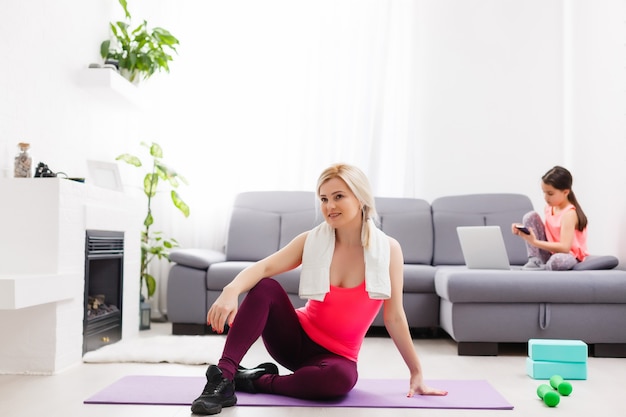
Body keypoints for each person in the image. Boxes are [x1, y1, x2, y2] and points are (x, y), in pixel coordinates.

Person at [190, 163, 448, 415]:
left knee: (341, 380)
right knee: (266, 287)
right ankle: (223, 379)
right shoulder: (311, 240)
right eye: (323, 199)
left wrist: (416, 373)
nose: (329, 206)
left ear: (360, 199)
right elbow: (264, 268)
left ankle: (254, 381)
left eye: (338, 197)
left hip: (336, 358)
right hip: (294, 340)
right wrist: (230, 291)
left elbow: (394, 317)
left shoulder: (389, 250)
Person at [512, 165, 588, 271]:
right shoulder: (549, 208)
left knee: (557, 260)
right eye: (544, 192)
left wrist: (534, 242)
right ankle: (535, 261)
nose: (546, 197)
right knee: (530, 216)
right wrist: (522, 230)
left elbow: (565, 248)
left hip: (568, 256)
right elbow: (545, 234)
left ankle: (545, 267)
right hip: (549, 253)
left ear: (566, 192)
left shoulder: (569, 214)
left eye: (550, 193)